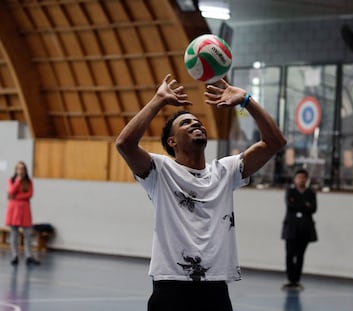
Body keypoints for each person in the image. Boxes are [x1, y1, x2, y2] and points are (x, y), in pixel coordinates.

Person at [116, 74, 286, 311]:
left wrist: (247, 100)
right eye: (186, 123)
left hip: (215, 288)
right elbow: (124, 144)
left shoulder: (225, 171)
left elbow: (275, 142)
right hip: (171, 287)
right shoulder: (161, 172)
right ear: (172, 142)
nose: (196, 123)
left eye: (197, 121)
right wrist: (158, 100)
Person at [281, 168, 317, 290]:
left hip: (305, 228)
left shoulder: (311, 193)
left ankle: (297, 280)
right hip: (291, 228)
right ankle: (290, 279)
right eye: (299, 177)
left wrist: (301, 204)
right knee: (289, 254)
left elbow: (313, 209)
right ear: (295, 179)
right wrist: (304, 204)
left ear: (306, 180)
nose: (301, 180)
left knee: (300, 255)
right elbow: (291, 205)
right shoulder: (290, 191)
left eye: (303, 178)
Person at [5, 161, 40, 265]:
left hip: (24, 209)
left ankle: (29, 256)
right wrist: (17, 181)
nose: (20, 171)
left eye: (22, 168)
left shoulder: (29, 181)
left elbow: (29, 194)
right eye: (18, 169)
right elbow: (11, 191)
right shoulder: (11, 180)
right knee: (14, 234)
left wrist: (16, 197)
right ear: (16, 170)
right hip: (13, 209)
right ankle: (15, 255)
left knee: (28, 234)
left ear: (25, 170)